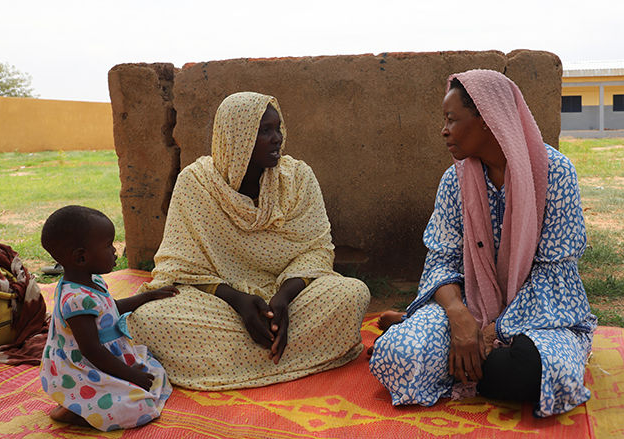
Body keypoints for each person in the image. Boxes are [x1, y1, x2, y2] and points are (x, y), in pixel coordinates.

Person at [369, 70, 597, 418]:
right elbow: (441, 260)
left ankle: (454, 354)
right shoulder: (453, 181)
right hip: (469, 305)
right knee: (397, 354)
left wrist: (493, 330)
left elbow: (555, 274)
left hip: (541, 314)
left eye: (451, 119)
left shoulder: (556, 173)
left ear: (488, 121)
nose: (443, 130)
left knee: (539, 372)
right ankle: (441, 342)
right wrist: (460, 318)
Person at [128, 91, 370, 390]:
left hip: (289, 295)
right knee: (150, 317)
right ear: (236, 138)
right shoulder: (196, 183)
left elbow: (318, 250)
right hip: (219, 300)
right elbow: (180, 266)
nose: (278, 138)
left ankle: (232, 360)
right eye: (265, 131)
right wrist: (239, 301)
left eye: (277, 128)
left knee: (351, 293)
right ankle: (287, 353)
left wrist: (282, 299)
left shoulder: (298, 177)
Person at [39, 205, 177, 431]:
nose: (115, 251)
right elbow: (91, 350)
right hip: (85, 369)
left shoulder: (94, 283)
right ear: (81, 257)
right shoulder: (75, 300)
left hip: (107, 360)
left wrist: (147, 296)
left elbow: (111, 308)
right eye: (108, 245)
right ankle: (77, 411)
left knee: (154, 373)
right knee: (138, 408)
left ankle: (87, 403)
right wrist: (130, 375)